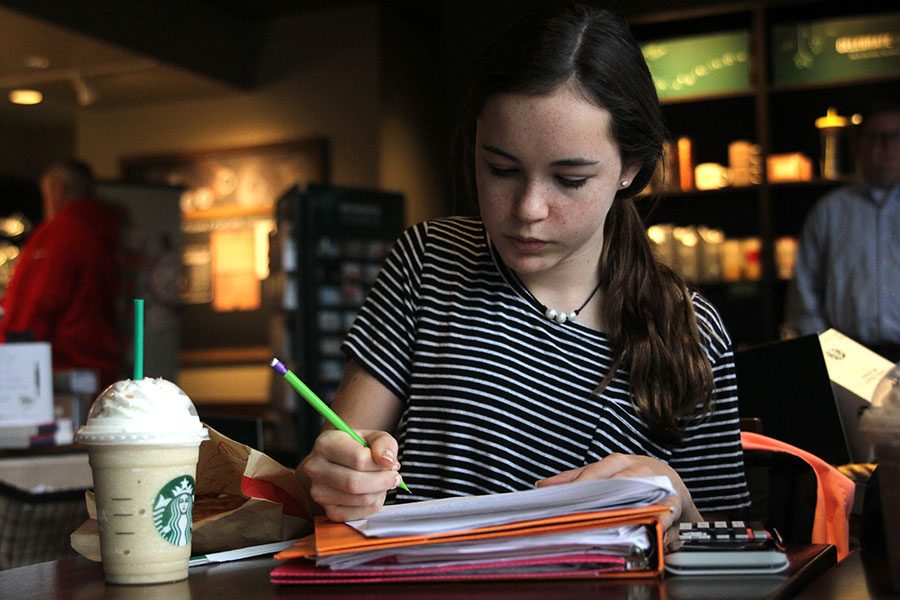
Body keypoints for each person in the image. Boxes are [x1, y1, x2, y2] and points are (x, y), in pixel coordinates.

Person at [298, 3, 750, 544]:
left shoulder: (691, 330)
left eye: (571, 179)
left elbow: (728, 549)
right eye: (501, 169)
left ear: (631, 168)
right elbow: (331, 472)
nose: (529, 208)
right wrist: (337, 475)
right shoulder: (429, 261)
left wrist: (675, 492)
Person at [784, 98, 900, 361]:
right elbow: (804, 296)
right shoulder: (828, 212)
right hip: (848, 362)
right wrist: (827, 358)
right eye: (877, 137)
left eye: (896, 137)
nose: (888, 147)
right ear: (859, 146)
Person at [0, 160, 126, 388]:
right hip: (105, 372)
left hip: (60, 374)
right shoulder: (112, 233)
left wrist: (10, 360)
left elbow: (32, 307)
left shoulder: (60, 233)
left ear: (58, 190)